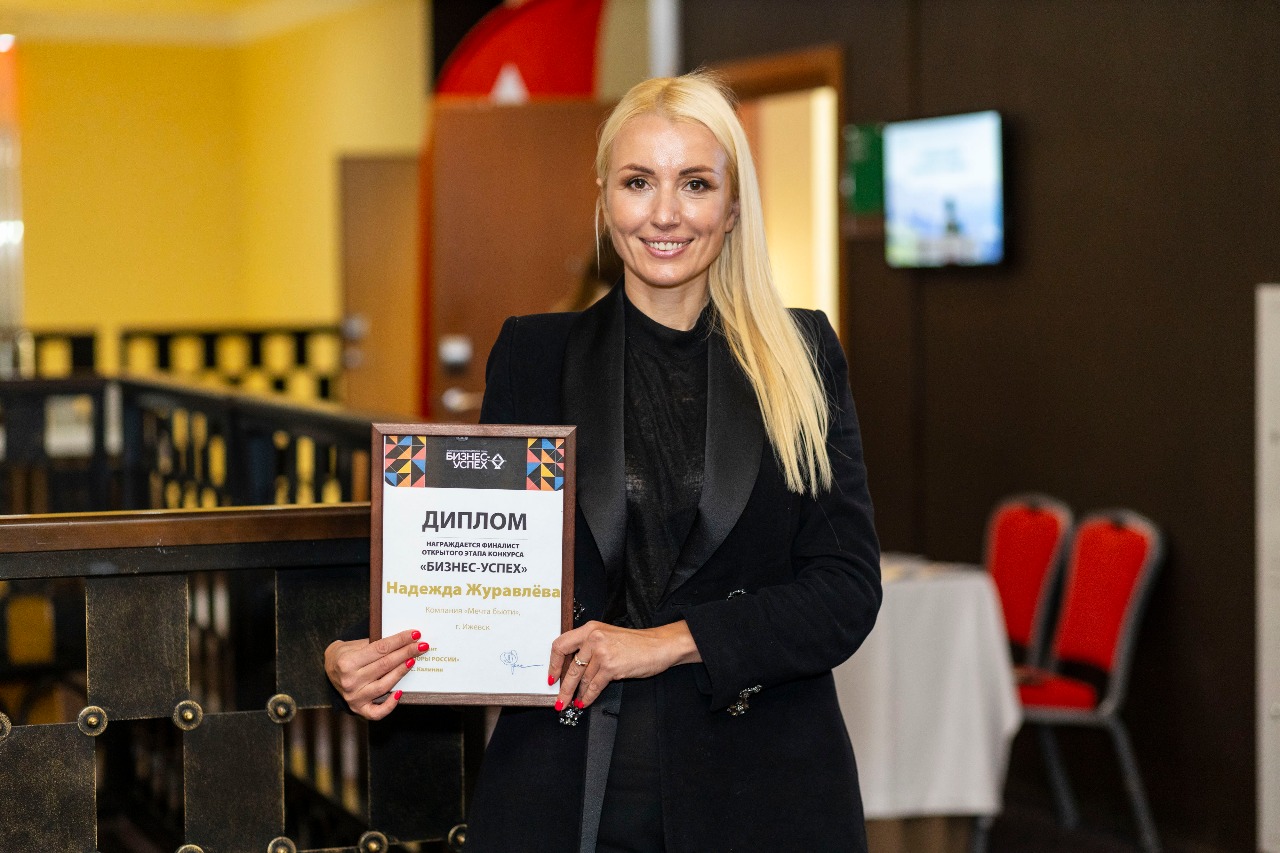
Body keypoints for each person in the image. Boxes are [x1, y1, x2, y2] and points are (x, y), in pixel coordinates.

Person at [325, 70, 881, 853]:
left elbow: (846, 590)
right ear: (604, 197)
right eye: (637, 181)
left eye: (695, 183)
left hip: (760, 789)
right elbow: (482, 549)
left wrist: (666, 639)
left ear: (732, 206)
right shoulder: (534, 353)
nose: (664, 213)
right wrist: (361, 648)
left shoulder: (802, 354)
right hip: (569, 784)